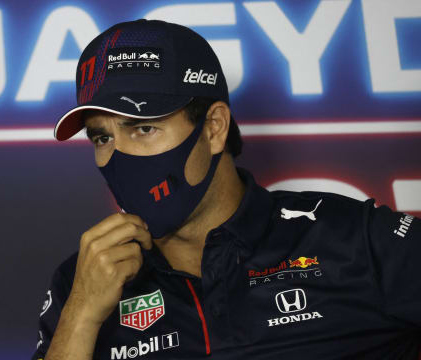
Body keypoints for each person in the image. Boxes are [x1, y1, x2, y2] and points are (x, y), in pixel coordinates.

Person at [32, 19, 420, 360]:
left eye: (143, 128)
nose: (119, 155)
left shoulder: (353, 239)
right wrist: (81, 314)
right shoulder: (84, 278)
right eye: (101, 138)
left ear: (214, 128)